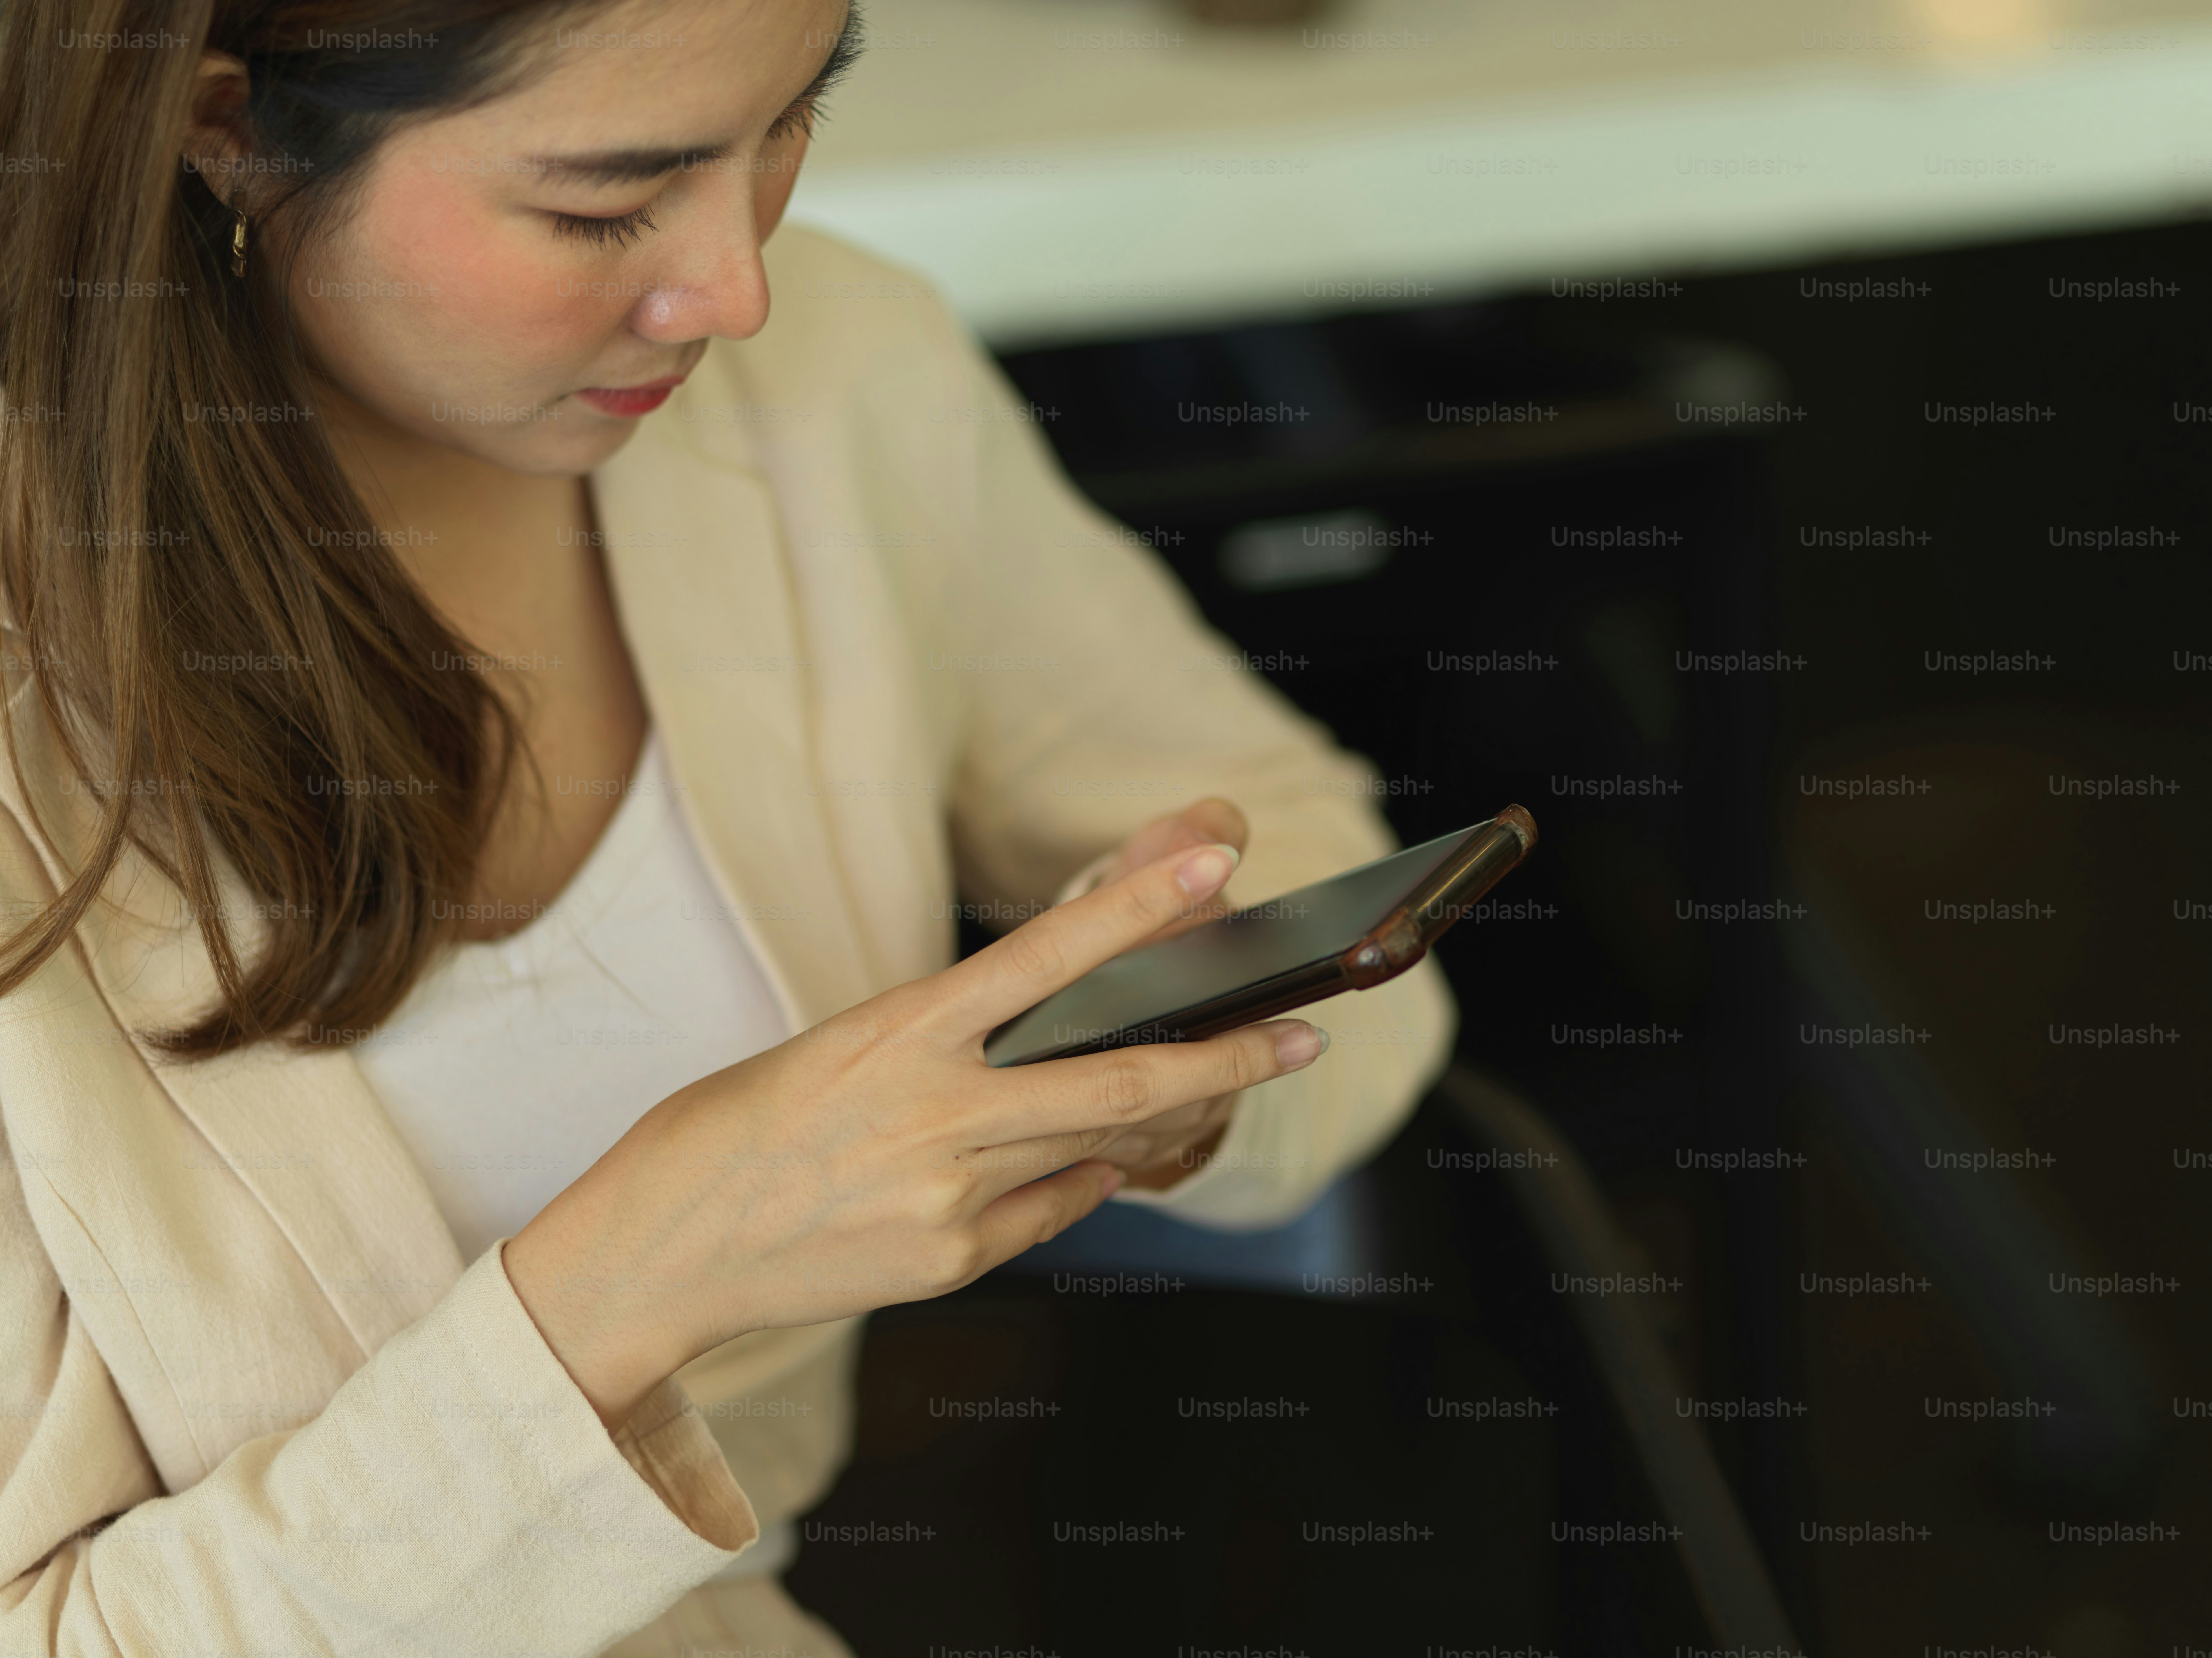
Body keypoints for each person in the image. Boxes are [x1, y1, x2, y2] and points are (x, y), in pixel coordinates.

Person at [0, 2, 1457, 1653]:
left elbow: (1311, 858)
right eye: (604, 204)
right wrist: (645, 1272)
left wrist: (1153, 1074)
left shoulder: (837, 383)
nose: (736, 289)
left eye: (785, 122)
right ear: (222, 127)